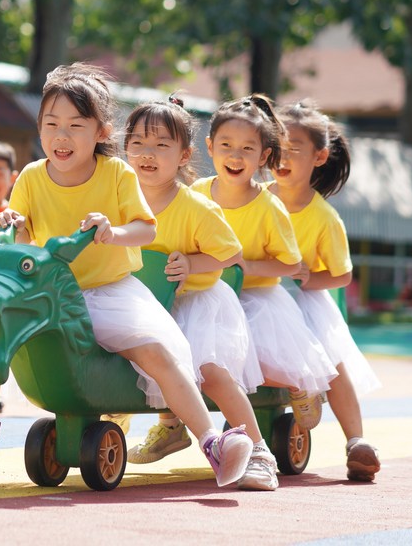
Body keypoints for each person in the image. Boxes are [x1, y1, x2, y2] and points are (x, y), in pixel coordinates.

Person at [0, 63, 254, 487]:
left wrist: (112, 231)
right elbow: (22, 237)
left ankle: (212, 441)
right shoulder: (29, 176)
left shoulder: (117, 174)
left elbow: (146, 228)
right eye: (51, 124)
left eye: (76, 125)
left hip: (111, 290)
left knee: (157, 351)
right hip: (52, 290)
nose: (62, 136)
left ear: (100, 131)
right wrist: (13, 225)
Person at [122, 97, 278, 491]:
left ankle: (260, 451)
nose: (147, 154)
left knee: (208, 372)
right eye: (138, 143)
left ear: (185, 154)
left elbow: (231, 254)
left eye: (161, 145)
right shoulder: (119, 196)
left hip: (194, 302)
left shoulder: (196, 205)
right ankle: (169, 429)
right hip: (142, 299)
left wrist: (192, 263)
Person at [190, 95, 338, 431]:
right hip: (210, 292)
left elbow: (290, 264)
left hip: (257, 297)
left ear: (264, 157)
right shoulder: (196, 192)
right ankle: (170, 424)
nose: (235, 156)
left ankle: (299, 385)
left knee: (263, 354)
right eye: (226, 145)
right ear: (210, 147)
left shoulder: (268, 206)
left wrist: (247, 268)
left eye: (247, 149)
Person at [270, 100, 382, 481]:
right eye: (277, 147)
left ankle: (356, 442)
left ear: (319, 157)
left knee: (333, 365)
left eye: (294, 150)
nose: (282, 158)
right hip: (256, 291)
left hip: (302, 300)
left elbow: (342, 275)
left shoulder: (323, 217)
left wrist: (307, 278)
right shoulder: (254, 196)